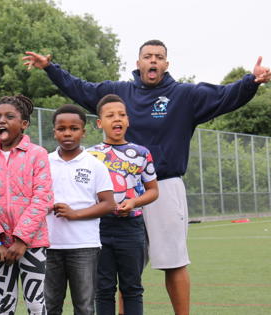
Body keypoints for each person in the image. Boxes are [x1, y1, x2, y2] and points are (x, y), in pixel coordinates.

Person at [23, 39, 271, 315]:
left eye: (159, 57)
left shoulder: (184, 95)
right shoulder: (117, 93)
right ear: (138, 63)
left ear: (166, 64)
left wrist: (252, 81)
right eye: (148, 56)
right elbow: (80, 88)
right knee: (121, 269)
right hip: (118, 195)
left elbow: (224, 95)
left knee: (174, 262)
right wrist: (50, 68)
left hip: (164, 187)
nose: (153, 61)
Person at [0, 94, 53, 315]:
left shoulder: (38, 154)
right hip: (0, 246)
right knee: (5, 303)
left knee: (36, 304)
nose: (2, 120)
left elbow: (42, 199)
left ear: (24, 124)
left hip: (33, 243)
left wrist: (21, 240)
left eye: (10, 116)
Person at [87, 94, 159, 315]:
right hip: (99, 229)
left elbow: (153, 191)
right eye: (110, 115)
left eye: (121, 115)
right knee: (103, 289)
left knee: (132, 288)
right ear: (100, 123)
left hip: (132, 228)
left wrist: (134, 201)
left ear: (128, 120)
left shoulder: (141, 154)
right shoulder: (89, 156)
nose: (116, 119)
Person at [45, 104, 115, 315]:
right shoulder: (44, 162)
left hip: (84, 246)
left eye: (74, 128)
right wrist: (45, 205)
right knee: (50, 306)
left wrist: (75, 214)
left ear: (83, 132)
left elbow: (108, 203)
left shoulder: (95, 165)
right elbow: (34, 197)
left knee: (84, 307)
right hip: (48, 245)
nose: (67, 133)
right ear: (54, 132)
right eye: (62, 128)